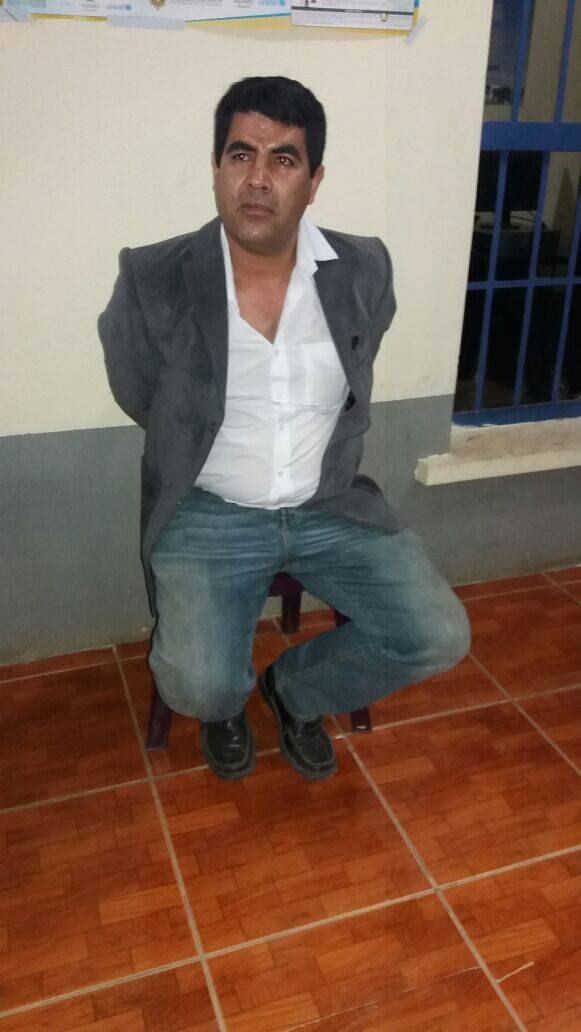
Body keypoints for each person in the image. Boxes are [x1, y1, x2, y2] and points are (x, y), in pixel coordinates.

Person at [99, 76, 470, 784]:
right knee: (194, 686)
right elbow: (136, 385)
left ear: (314, 180)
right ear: (217, 167)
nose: (258, 179)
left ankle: (294, 692)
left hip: (328, 502)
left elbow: (362, 356)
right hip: (210, 508)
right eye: (241, 154)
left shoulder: (363, 269)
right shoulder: (154, 277)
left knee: (438, 635)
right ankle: (226, 705)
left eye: (284, 159)